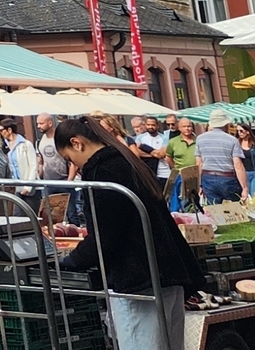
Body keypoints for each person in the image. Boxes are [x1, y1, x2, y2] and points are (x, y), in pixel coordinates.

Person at [52, 117, 196, 350]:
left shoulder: (102, 171)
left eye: (70, 158)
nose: (74, 166)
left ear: (77, 143)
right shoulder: (126, 160)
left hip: (138, 281)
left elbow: (105, 235)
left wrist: (70, 261)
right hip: (166, 275)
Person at [164, 119, 197, 211]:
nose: (187, 128)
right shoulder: (173, 142)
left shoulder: (198, 140)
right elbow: (168, 158)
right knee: (180, 201)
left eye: (189, 126)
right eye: (184, 126)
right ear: (179, 128)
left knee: (194, 202)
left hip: (195, 175)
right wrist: (176, 169)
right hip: (180, 175)